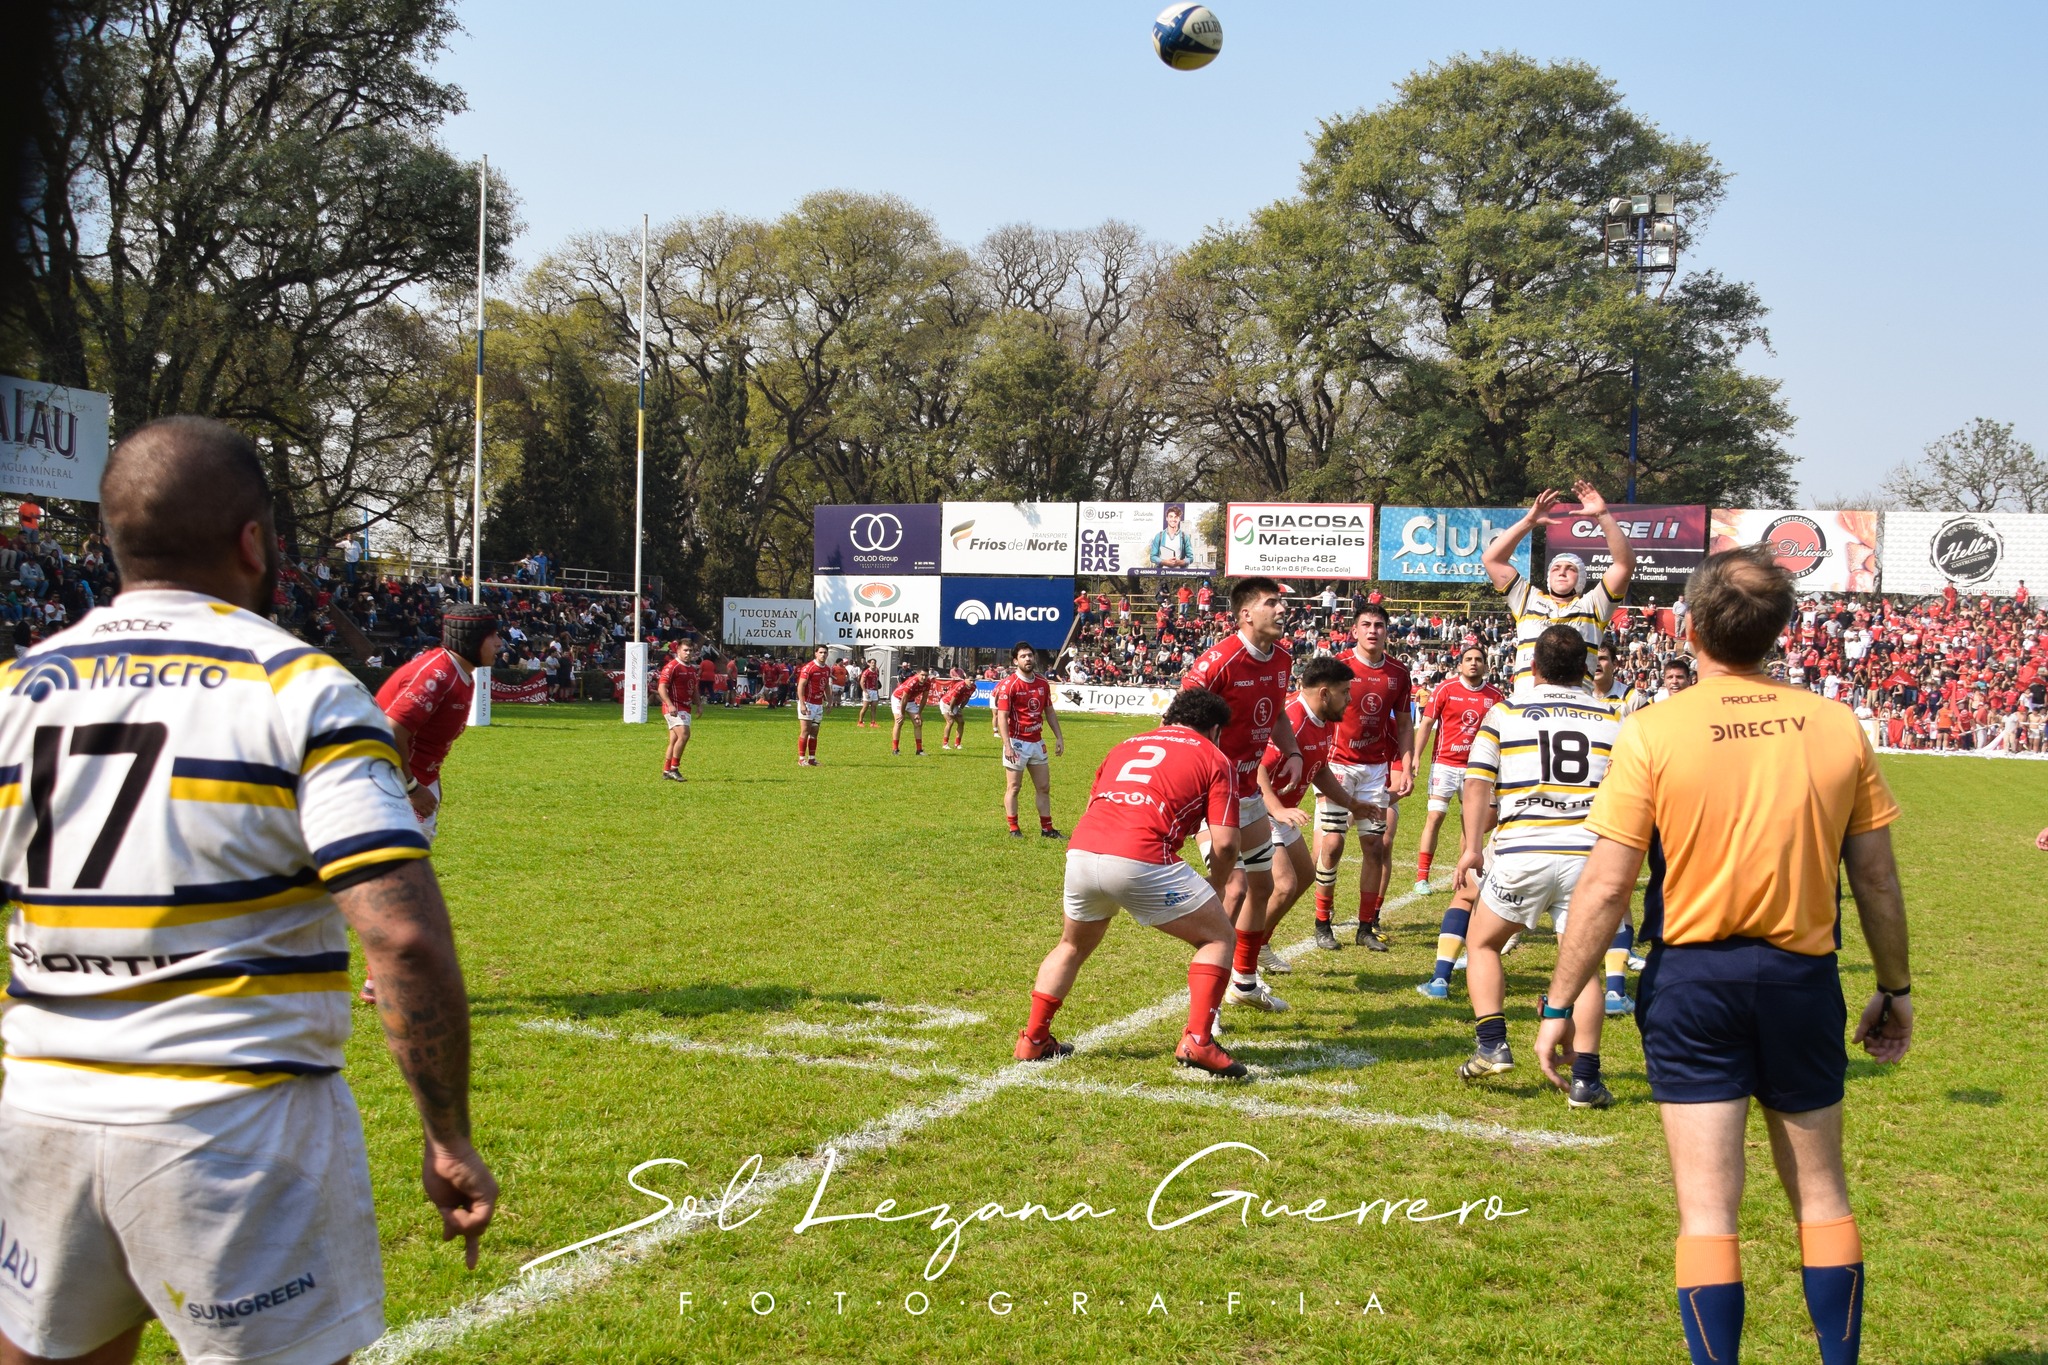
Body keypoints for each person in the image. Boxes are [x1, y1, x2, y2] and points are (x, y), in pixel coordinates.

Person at [0, 416, 494, 1365]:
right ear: (254, 540)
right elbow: (404, 940)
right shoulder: (302, 688)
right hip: (232, 1125)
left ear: (114, 540)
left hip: (45, 1109)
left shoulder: (22, 688)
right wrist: (448, 1135)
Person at [1536, 545, 1911, 1365]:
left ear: (1691, 627)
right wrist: (1895, 986)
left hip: (1694, 980)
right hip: (1802, 978)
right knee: (1823, 1196)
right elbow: (1877, 882)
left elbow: (1604, 889)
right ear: (1780, 631)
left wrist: (1560, 1003)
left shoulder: (1653, 730)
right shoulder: (1837, 723)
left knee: (1708, 1213)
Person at [1014, 689, 1247, 1078]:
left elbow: (1096, 805)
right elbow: (1225, 841)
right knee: (1218, 938)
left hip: (1083, 852)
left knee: (1070, 945)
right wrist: (1217, 883)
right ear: (1216, 730)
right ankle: (1199, 1041)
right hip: (1140, 857)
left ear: (1167, 718)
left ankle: (1034, 1039)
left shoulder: (1125, 744)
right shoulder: (1213, 755)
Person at [1448, 625, 1623, 1106]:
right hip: (1590, 853)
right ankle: (1586, 1078)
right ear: (1585, 667)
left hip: (1523, 847)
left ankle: (1492, 1044)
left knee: (1482, 942)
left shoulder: (1505, 712)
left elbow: (1477, 784)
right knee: (1582, 962)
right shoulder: (1614, 715)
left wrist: (1471, 847)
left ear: (1534, 666)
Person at [1210, 654, 1369, 1008]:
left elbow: (1320, 770)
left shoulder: (1325, 720)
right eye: (1345, 692)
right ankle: (1242, 963)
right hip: (1261, 809)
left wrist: (1352, 804)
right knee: (1282, 884)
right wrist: (1277, 808)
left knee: (1304, 873)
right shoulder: (1294, 720)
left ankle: (1258, 943)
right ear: (1324, 693)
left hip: (1283, 813)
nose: (1350, 700)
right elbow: (1261, 769)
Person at [367, 600, 499, 1004]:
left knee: (400, 884)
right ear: (472, 638)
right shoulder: (438, 672)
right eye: (493, 636)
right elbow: (390, 732)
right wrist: (411, 786)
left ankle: (380, 979)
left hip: (414, 781)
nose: (499, 644)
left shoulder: (461, 672)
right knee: (402, 885)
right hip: (386, 783)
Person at [1179, 576, 1304, 975]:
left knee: (1263, 886)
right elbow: (1182, 723)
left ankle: (1245, 979)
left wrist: (1294, 750)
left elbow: (1279, 713)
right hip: (1211, 795)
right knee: (1232, 890)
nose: (1282, 609)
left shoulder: (1283, 659)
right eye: (1272, 603)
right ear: (1246, 614)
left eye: (1281, 603)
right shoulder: (1218, 662)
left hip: (1248, 792)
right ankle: (1208, 991)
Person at [1312, 603, 1411, 951]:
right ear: (1354, 631)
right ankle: (1322, 922)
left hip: (1375, 769)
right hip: (1338, 763)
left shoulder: (1399, 673)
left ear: (1387, 631)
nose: (1373, 630)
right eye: (1366, 624)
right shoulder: (1338, 667)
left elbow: (1404, 722)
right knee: (1333, 843)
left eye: (1379, 625)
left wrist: (1406, 764)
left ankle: (1365, 926)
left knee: (1374, 846)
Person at [1481, 481, 1636, 697]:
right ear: (1548, 576)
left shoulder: (1593, 605)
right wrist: (1529, 521)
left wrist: (1603, 515)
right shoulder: (1528, 600)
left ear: (1581, 578)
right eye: (1556, 568)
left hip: (1576, 710)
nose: (1562, 572)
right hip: (1528, 708)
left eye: (1570, 569)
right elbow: (1492, 559)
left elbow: (1624, 565)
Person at [1410, 644, 1505, 896]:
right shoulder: (1445, 689)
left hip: (1478, 770)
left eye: (1478, 659)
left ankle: (1461, 875)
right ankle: (1422, 877)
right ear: (1460, 665)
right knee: (1435, 817)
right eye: (1468, 659)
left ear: (1486, 665)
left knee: (1470, 824)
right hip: (1445, 764)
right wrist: (1416, 757)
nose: (1473, 663)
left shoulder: (1495, 696)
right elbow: (1427, 723)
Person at [995, 644, 1065, 837]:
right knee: (1014, 787)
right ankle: (1014, 828)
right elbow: (1002, 716)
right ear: (1015, 661)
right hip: (1017, 743)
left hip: (1037, 742)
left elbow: (1049, 712)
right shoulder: (1010, 685)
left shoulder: (1042, 684)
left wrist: (1059, 737)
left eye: (1030, 655)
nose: (1028, 659)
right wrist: (1007, 745)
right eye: (1023, 656)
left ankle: (1047, 829)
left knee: (1043, 787)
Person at [657, 639, 699, 780]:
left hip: (685, 707)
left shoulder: (692, 669)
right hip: (673, 707)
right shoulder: (672, 667)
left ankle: (666, 770)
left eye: (690, 650)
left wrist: (699, 704)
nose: (688, 653)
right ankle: (674, 768)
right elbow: (661, 687)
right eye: (685, 650)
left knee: (674, 740)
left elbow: (694, 689)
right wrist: (669, 704)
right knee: (684, 735)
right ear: (678, 651)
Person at [795, 643, 831, 766]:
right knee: (805, 731)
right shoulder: (809, 668)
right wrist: (802, 703)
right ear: (815, 653)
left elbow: (826, 686)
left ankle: (811, 758)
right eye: (820, 652)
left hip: (818, 704)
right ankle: (801, 758)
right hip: (808, 703)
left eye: (825, 652)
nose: (823, 654)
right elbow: (801, 685)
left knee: (814, 732)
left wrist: (829, 702)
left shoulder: (827, 669)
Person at [890, 665, 931, 755]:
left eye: (926, 675)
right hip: (898, 699)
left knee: (918, 723)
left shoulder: (928, 682)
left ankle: (919, 750)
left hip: (911, 700)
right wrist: (902, 713)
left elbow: (924, 698)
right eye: (922, 675)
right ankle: (895, 749)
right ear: (917, 674)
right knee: (899, 722)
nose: (924, 677)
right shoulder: (912, 682)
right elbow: (904, 698)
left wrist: (919, 713)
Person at [938, 668, 977, 751]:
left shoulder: (973, 687)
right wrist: (950, 711)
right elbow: (953, 699)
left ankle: (957, 744)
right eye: (971, 680)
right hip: (946, 703)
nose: (972, 682)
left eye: (974, 680)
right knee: (950, 722)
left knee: (961, 722)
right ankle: (945, 744)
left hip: (955, 705)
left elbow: (967, 698)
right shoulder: (960, 686)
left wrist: (960, 708)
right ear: (965, 678)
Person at [1148, 503, 1193, 570]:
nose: (1173, 519)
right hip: (1162, 574)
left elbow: (1190, 558)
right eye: (1171, 516)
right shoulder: (1159, 536)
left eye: (1176, 517)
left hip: (1180, 574)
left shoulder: (1185, 536)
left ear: (1179, 519)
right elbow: (1153, 557)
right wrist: (1164, 562)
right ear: (1167, 518)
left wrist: (1180, 562)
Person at [856, 657, 881, 727]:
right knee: (865, 707)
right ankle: (860, 721)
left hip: (874, 691)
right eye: (872, 663)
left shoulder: (876, 671)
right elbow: (861, 682)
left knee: (874, 708)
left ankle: (873, 722)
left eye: (874, 663)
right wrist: (865, 692)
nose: (873, 664)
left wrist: (877, 692)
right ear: (869, 664)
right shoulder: (866, 672)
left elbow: (876, 682)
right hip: (868, 690)